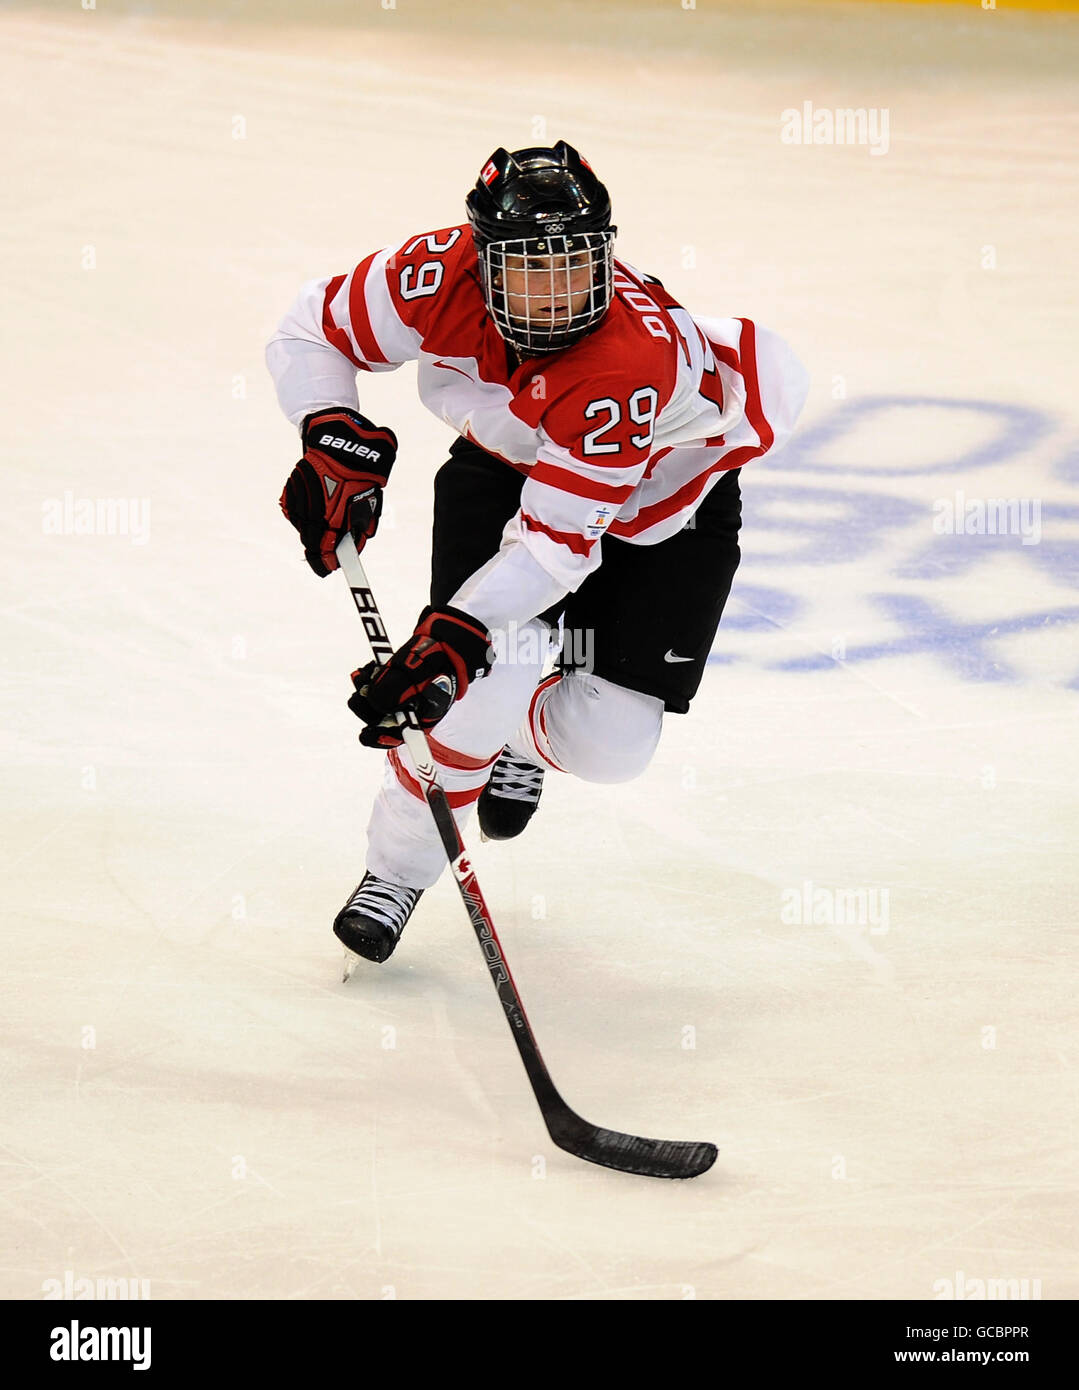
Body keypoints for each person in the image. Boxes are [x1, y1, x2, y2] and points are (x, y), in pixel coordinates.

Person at [267, 141, 808, 967]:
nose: (557, 294)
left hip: (671, 500)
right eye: (528, 269)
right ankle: (396, 870)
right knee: (479, 684)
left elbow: (556, 550)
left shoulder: (621, 364)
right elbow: (313, 327)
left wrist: (451, 638)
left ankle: (516, 736)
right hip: (515, 462)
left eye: (576, 265)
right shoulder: (428, 275)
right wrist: (329, 432)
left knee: (611, 747)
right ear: (480, 260)